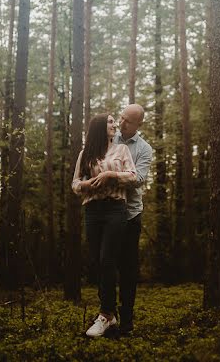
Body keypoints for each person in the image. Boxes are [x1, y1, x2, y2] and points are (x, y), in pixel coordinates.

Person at [72, 113, 138, 338]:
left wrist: (111, 174)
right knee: (97, 264)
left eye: (114, 121)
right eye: (110, 122)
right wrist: (88, 183)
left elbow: (133, 176)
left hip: (114, 210)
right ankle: (109, 316)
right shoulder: (86, 154)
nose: (115, 125)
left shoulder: (122, 151)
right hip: (92, 211)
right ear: (100, 127)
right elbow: (75, 184)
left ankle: (106, 314)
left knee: (107, 260)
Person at [112, 103, 153, 335]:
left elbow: (138, 178)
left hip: (130, 214)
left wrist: (110, 176)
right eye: (121, 117)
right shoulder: (110, 139)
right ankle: (107, 316)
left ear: (139, 124)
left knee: (127, 269)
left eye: (127, 120)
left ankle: (126, 320)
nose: (121, 122)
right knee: (106, 264)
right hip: (106, 212)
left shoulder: (144, 148)